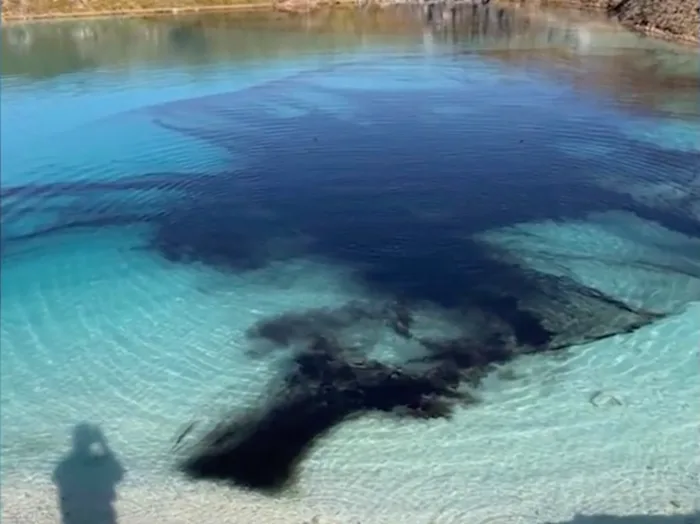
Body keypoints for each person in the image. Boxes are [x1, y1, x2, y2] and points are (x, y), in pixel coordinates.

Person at [52, 423, 125, 524]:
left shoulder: (64, 466)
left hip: (73, 518)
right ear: (92, 442)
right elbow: (118, 474)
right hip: (101, 517)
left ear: (74, 441)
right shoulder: (101, 465)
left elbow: (57, 480)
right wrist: (103, 444)